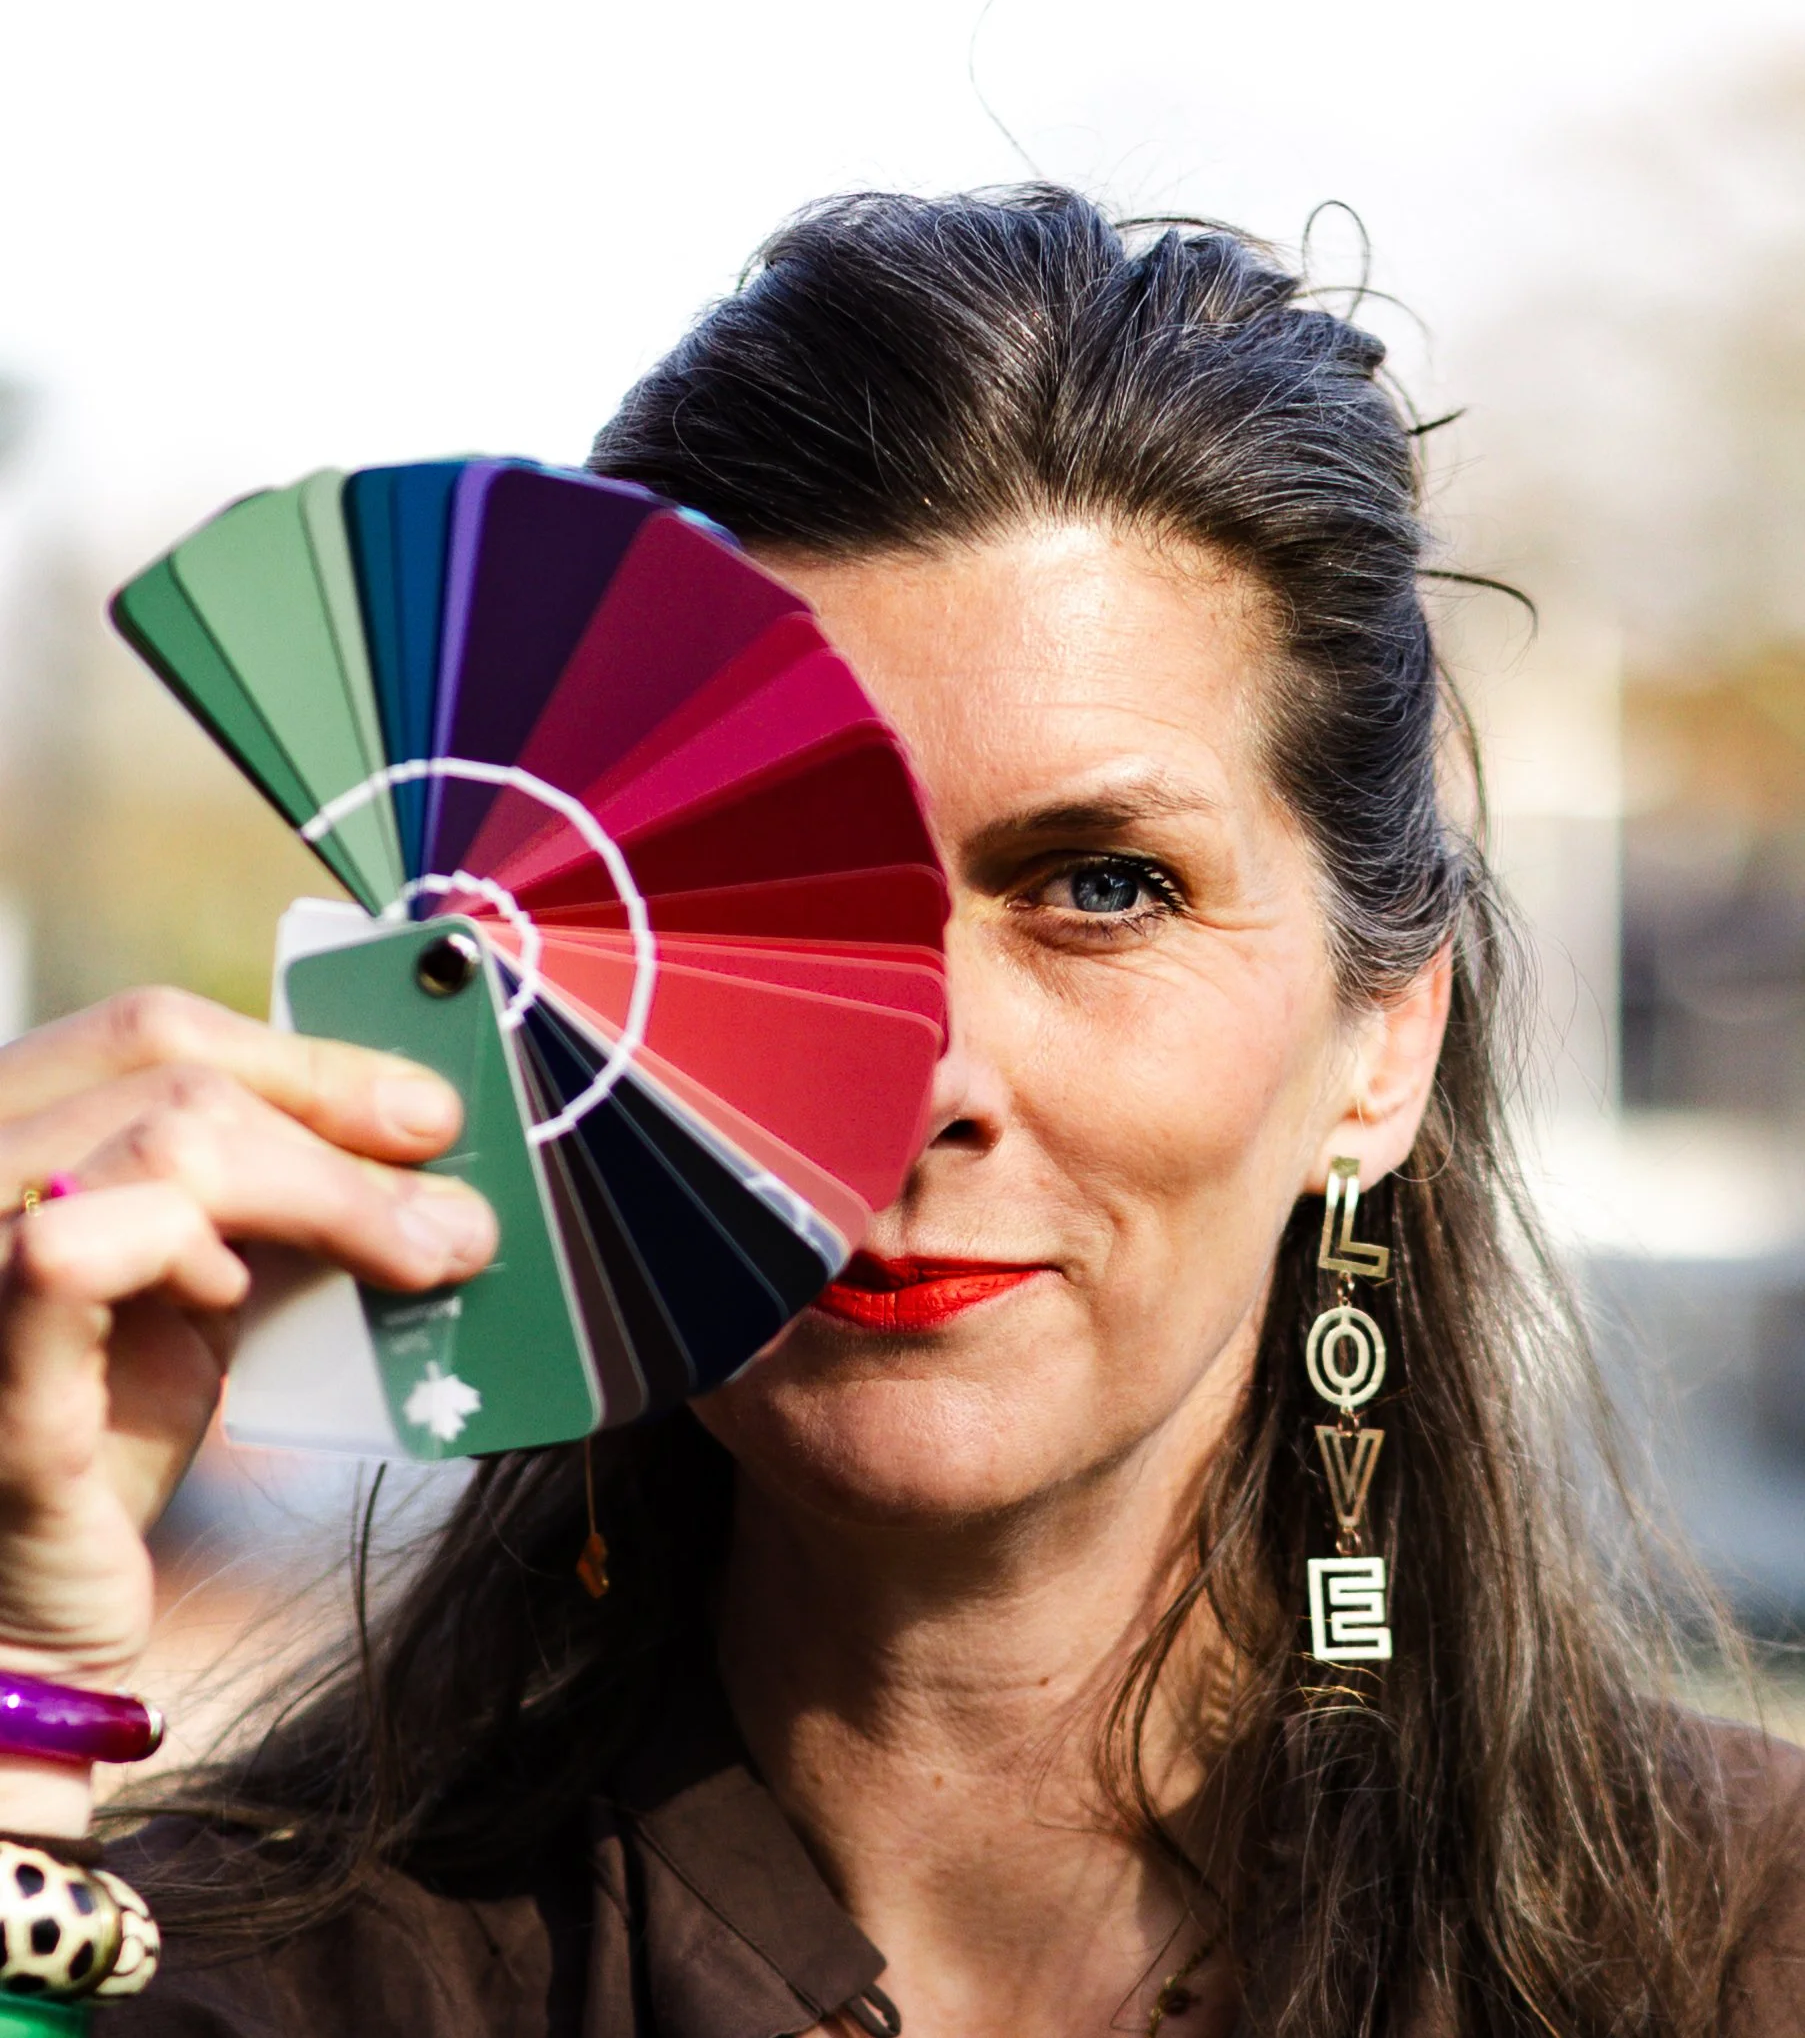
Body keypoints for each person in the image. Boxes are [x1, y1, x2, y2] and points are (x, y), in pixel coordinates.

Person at [0, 187, 1798, 2038]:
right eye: (766, 904)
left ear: (1381, 1049)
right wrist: (16, 1681)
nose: (921, 1084)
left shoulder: (1741, 1953)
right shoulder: (225, 1976)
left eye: (1103, 886)